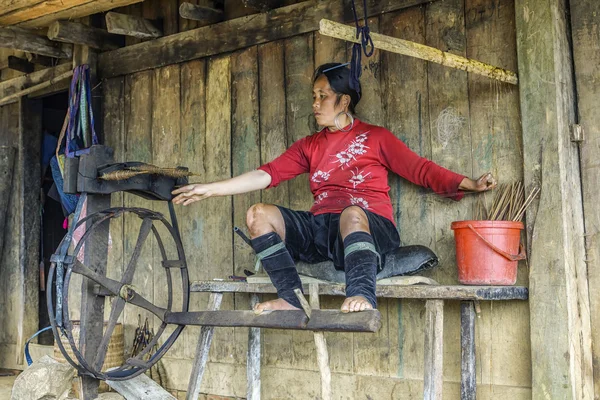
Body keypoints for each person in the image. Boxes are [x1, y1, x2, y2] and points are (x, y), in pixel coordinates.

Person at [172, 63, 496, 314]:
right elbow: (266, 175)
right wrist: (211, 189)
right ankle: (291, 298)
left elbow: (420, 169)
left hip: (369, 227)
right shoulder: (309, 145)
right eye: (314, 96)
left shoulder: (376, 137)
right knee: (259, 214)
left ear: (344, 100)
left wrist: (470, 184)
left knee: (352, 213)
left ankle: (361, 293)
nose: (315, 103)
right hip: (322, 230)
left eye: (322, 96)